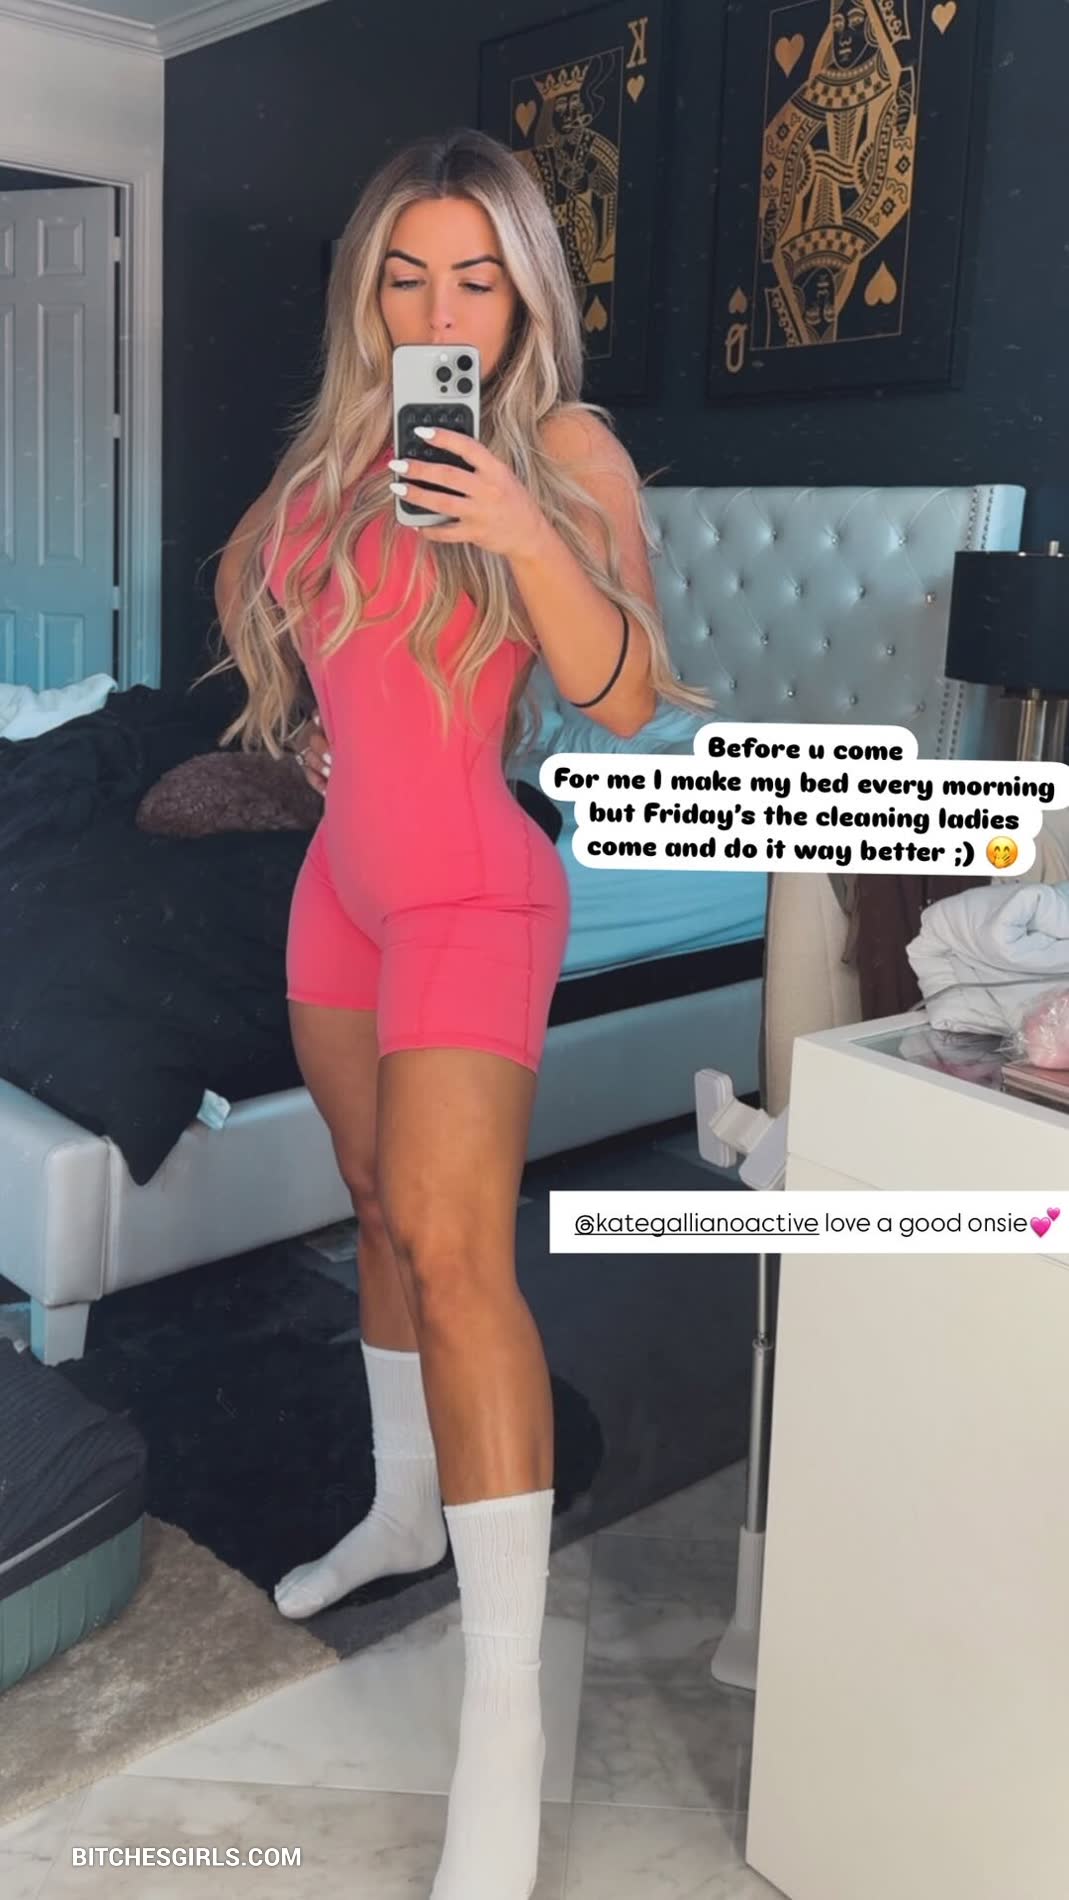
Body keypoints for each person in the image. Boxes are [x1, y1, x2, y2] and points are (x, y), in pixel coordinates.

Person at [204, 126, 711, 1900]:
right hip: (337, 886)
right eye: (404, 278)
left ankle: (504, 1726)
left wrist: (514, 527)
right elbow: (262, 592)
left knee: (453, 1246)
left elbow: (626, 698)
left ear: (521, 296)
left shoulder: (561, 450)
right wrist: (314, 716)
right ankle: (400, 1507)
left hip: (474, 893)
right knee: (370, 1207)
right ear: (369, 294)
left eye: (472, 280)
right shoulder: (341, 459)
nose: (438, 312)